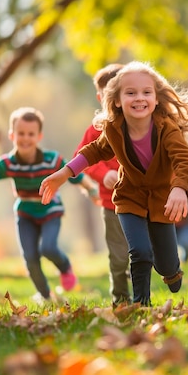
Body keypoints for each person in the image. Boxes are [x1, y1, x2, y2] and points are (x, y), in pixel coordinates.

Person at [40, 61, 188, 306]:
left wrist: (178, 188)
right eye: (131, 93)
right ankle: (141, 304)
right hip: (129, 197)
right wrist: (64, 173)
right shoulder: (114, 128)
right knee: (139, 252)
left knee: (166, 263)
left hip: (161, 199)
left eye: (146, 92)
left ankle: (171, 271)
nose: (139, 98)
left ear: (156, 99)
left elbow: (185, 159)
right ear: (116, 100)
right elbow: (93, 151)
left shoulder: (166, 128)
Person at [0, 107, 100, 302]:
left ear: (39, 136)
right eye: (21, 133)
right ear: (12, 135)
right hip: (25, 215)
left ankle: (65, 267)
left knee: (48, 248)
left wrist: (91, 190)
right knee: (30, 258)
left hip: (50, 211)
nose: (25, 138)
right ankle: (45, 296)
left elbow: (75, 175)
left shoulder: (52, 160)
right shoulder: (9, 164)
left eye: (31, 134)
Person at [75, 63, 131, 306]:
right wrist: (102, 174)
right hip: (112, 204)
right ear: (101, 97)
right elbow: (82, 158)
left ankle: (142, 297)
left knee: (143, 255)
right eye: (110, 94)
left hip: (146, 201)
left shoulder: (141, 123)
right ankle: (121, 300)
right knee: (119, 257)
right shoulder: (96, 128)